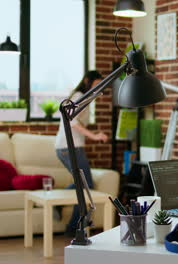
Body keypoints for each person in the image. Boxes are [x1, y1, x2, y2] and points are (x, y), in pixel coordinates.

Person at [55, 70, 109, 236]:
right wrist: (94, 136)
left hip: (68, 147)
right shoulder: (78, 95)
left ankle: (65, 215)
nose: (97, 87)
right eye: (95, 83)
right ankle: (72, 227)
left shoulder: (83, 97)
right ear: (87, 81)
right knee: (85, 185)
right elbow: (71, 121)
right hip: (69, 147)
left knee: (82, 184)